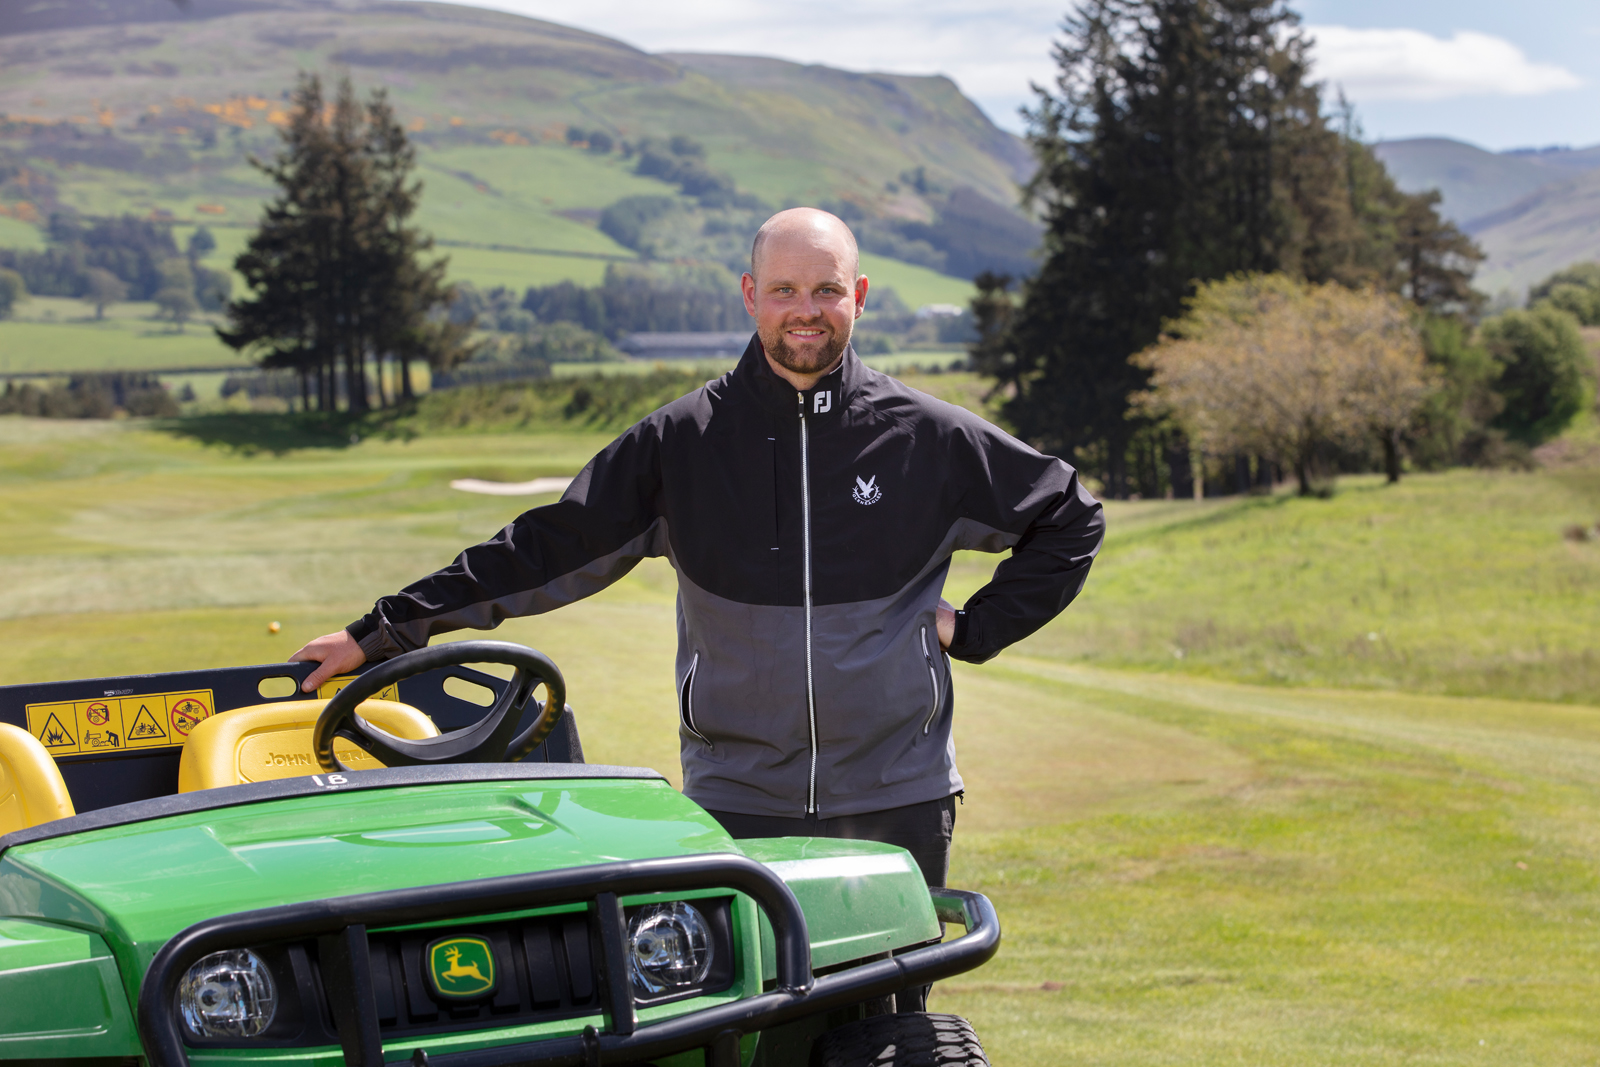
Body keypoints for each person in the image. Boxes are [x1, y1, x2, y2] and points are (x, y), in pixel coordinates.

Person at [292, 207, 1104, 891]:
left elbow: (1069, 516)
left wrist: (980, 627)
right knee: (754, 1012)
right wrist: (381, 631)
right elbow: (542, 547)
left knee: (894, 1009)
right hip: (737, 798)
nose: (806, 310)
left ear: (858, 297)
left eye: (827, 289)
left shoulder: (929, 438)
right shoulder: (681, 442)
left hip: (899, 794)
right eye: (784, 290)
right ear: (751, 296)